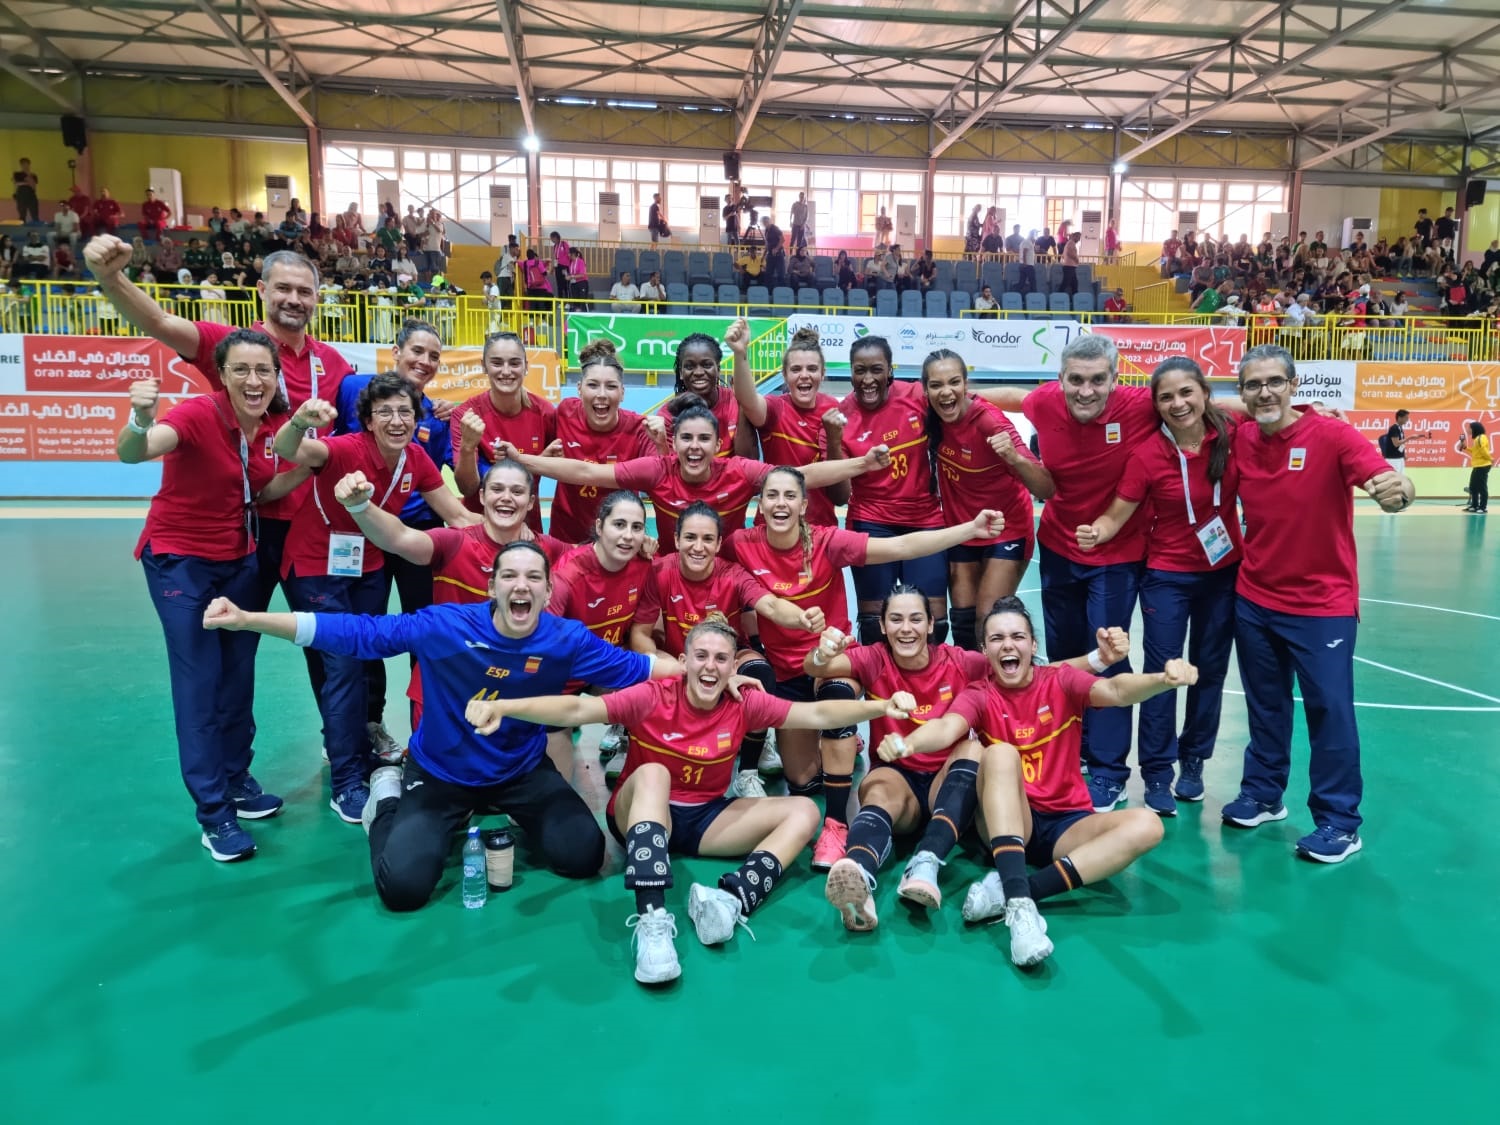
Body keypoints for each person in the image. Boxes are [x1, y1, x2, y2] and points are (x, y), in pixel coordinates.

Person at [204, 540, 685, 908]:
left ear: (548, 588)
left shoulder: (567, 639)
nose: (522, 586)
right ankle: (387, 798)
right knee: (403, 890)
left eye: (534, 577)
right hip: (441, 774)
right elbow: (357, 633)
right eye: (510, 576)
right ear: (492, 586)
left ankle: (506, 814)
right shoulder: (446, 626)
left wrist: (707, 672)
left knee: (583, 857)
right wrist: (250, 619)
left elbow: (637, 669)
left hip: (519, 771)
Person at [466, 614, 914, 984]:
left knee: (802, 810)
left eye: (721, 659)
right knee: (655, 772)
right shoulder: (652, 696)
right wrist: (505, 707)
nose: (710, 667)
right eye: (700, 656)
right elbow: (578, 710)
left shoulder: (744, 704)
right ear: (683, 661)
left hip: (703, 820)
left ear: (731, 667)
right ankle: (653, 923)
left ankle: (728, 902)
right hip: (642, 810)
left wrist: (878, 708)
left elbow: (814, 712)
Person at [880, 597, 1187, 967]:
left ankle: (1017, 890)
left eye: (1017, 636)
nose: (1008, 645)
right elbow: (946, 728)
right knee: (1000, 754)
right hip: (1008, 820)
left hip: (1065, 822)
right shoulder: (979, 694)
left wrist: (1162, 680)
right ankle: (1021, 914)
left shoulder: (1059, 680)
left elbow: (1118, 691)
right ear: (984, 650)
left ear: (1033, 646)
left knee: (1147, 826)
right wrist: (908, 743)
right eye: (996, 639)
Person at [728, 466, 1007, 868]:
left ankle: (836, 825)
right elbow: (706, 560)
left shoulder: (826, 541)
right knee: (804, 781)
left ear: (804, 505)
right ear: (760, 504)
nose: (780, 504)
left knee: (839, 700)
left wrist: (969, 529)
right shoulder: (743, 543)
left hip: (837, 661)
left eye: (790, 496)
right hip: (788, 672)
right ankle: (833, 748)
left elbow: (903, 547)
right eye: (772, 495)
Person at [816, 587, 1132, 931]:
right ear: (882, 626)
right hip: (899, 781)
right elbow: (815, 668)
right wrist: (822, 654)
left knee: (972, 750)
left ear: (931, 624)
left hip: (951, 786)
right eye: (896, 619)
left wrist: (1099, 660)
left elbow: (1039, 671)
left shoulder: (962, 662)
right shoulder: (874, 657)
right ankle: (860, 876)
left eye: (916, 619)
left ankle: (926, 864)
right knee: (876, 789)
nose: (906, 628)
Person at [86, 239, 352, 616]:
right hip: (250, 524)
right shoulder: (232, 346)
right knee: (232, 636)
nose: (294, 299)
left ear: (316, 298)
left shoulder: (333, 361)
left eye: (304, 291)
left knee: (328, 642)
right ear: (262, 290)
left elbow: (367, 419)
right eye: (283, 288)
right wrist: (111, 278)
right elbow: (160, 322)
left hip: (312, 522)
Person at [119, 328, 305, 861]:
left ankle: (236, 776)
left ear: (276, 377)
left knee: (237, 675)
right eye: (241, 370)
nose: (254, 380)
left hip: (238, 560)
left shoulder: (271, 427)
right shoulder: (197, 414)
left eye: (263, 371)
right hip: (181, 561)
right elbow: (137, 452)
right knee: (200, 681)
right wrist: (139, 420)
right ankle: (214, 812)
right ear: (222, 374)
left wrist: (310, 469)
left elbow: (264, 490)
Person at [1224, 344, 1413, 862]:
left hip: (1321, 605)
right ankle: (1264, 794)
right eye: (1253, 384)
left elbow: (1387, 479)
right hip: (1255, 598)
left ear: (1293, 385)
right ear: (1241, 393)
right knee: (1265, 706)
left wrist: (1400, 489)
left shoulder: (1331, 434)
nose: (1265, 392)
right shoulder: (1241, 438)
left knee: (1330, 711)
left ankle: (1339, 822)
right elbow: (1194, 404)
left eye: (1275, 382)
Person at [272, 373, 474, 822]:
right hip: (314, 566)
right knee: (343, 666)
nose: (397, 420)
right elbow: (291, 450)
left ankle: (357, 748)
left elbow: (456, 514)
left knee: (365, 663)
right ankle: (346, 781)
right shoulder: (344, 449)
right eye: (385, 412)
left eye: (405, 411)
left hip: (367, 568)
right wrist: (300, 421)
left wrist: (512, 537)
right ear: (367, 419)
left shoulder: (416, 458)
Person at [976, 334, 1159, 813]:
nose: (1086, 390)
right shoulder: (1044, 401)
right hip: (1058, 548)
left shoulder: (1141, 405)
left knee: (1109, 656)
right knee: (1064, 660)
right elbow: (1014, 397)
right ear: (1060, 380)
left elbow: (1205, 403)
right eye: (1075, 380)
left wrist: (1305, 408)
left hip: (1117, 555)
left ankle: (1109, 771)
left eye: (1098, 380)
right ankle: (1070, 750)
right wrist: (958, 395)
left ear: (1116, 380)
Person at [1075, 358, 1243, 812]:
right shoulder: (1148, 454)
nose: (1177, 403)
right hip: (1167, 575)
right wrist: (1098, 532)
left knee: (1209, 672)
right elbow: (1118, 511)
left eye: (1186, 392)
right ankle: (1155, 772)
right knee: (1163, 673)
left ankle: (1194, 761)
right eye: (1166, 396)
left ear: (1204, 393)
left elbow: (1274, 409)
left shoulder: (1233, 433)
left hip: (1224, 572)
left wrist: (1314, 410)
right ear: (1156, 404)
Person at [506, 393, 884, 546]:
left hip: (730, 576)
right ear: (675, 441)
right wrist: (523, 460)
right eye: (686, 438)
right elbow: (587, 473)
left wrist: (864, 464)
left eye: (704, 439)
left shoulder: (738, 470)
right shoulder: (657, 469)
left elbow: (803, 478)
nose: (694, 447)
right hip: (672, 573)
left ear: (718, 444)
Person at [632, 503, 825, 796]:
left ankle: (747, 771)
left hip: (731, 659)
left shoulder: (732, 574)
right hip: (679, 659)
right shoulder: (659, 572)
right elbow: (640, 636)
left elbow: (770, 605)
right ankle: (633, 742)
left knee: (760, 674)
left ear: (719, 543)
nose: (698, 547)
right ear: (676, 539)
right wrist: (677, 668)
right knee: (642, 666)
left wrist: (802, 618)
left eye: (708, 539)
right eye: (690, 538)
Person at [334, 319, 456, 758]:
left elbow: (447, 492)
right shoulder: (353, 390)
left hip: (416, 537)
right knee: (367, 630)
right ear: (395, 352)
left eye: (434, 355)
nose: (424, 361)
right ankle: (368, 724)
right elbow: (326, 451)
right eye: (417, 351)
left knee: (424, 629)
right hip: (360, 535)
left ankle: (428, 722)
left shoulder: (438, 419)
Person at [922, 349, 1053, 650]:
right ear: (925, 389)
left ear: (966, 385)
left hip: (1004, 528)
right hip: (964, 528)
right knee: (964, 623)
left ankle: (1004, 690)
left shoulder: (989, 423)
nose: (946, 392)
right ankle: (973, 693)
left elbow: (1046, 488)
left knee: (988, 619)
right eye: (936, 385)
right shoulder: (933, 414)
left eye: (954, 382)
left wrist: (1013, 458)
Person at [837, 336, 950, 645]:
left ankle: (930, 686)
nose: (868, 379)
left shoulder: (917, 395)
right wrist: (837, 442)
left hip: (925, 519)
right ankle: (881, 689)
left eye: (877, 369)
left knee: (935, 622)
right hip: (871, 521)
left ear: (890, 371)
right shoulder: (841, 417)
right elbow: (838, 495)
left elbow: (961, 406)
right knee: (875, 625)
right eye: (860, 370)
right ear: (850, 372)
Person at [728, 320, 848, 526]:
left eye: (812, 368)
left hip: (819, 527)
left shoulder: (835, 410)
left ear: (822, 373)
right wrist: (740, 354)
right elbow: (747, 400)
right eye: (796, 369)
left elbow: (841, 492)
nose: (804, 375)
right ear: (785, 375)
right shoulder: (776, 408)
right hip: (772, 525)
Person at [547, 339, 663, 543]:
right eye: (592, 385)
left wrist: (662, 444)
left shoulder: (640, 429)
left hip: (618, 542)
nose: (601, 394)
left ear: (622, 392)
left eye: (611, 386)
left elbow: (664, 480)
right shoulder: (565, 413)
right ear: (579, 389)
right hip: (567, 538)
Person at [451, 331, 556, 531]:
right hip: (479, 530)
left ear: (526, 366)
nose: (506, 371)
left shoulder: (546, 413)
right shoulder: (465, 415)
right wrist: (467, 446)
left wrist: (538, 461)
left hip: (528, 530)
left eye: (515, 363)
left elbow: (559, 464)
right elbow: (467, 488)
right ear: (484, 366)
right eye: (497, 363)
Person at [656, 332, 749, 458]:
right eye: (689, 366)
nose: (699, 372)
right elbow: (672, 469)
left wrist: (742, 403)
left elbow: (748, 459)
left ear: (718, 369)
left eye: (707, 365)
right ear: (681, 373)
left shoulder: (734, 401)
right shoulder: (668, 415)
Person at [1459, 420, 1490, 513]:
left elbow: (1483, 450)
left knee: (1482, 487)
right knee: (1473, 487)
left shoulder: (1481, 438)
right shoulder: (1477, 439)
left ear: (1474, 429)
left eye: (1469, 428)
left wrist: (1490, 459)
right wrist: (1465, 448)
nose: (1468, 429)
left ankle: (1483, 507)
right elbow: (1475, 451)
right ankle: (1474, 505)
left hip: (1483, 465)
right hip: (1477, 466)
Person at [1379, 408, 1410, 474]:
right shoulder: (1394, 428)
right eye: (1406, 418)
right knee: (1394, 478)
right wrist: (1409, 438)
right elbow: (1396, 443)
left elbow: (1401, 443)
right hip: (1393, 459)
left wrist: (1403, 454)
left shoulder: (1400, 428)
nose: (1407, 420)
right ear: (1399, 418)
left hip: (1399, 457)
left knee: (1401, 478)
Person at [12, 158, 39, 224]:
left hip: (31, 196)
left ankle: (37, 230)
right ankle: (22, 230)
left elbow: (33, 186)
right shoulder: (17, 174)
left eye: (27, 164)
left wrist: (28, 176)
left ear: (29, 165)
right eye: (23, 164)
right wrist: (28, 183)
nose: (25, 166)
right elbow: (17, 183)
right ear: (21, 165)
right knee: (22, 215)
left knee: (35, 215)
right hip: (21, 196)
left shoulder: (33, 175)